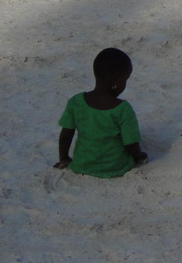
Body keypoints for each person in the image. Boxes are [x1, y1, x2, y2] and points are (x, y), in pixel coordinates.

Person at [55, 47, 148, 177]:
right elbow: (131, 144)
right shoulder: (123, 109)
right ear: (114, 80)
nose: (125, 84)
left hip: (82, 165)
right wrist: (139, 156)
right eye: (125, 80)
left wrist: (64, 158)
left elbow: (66, 134)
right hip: (115, 167)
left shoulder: (75, 102)